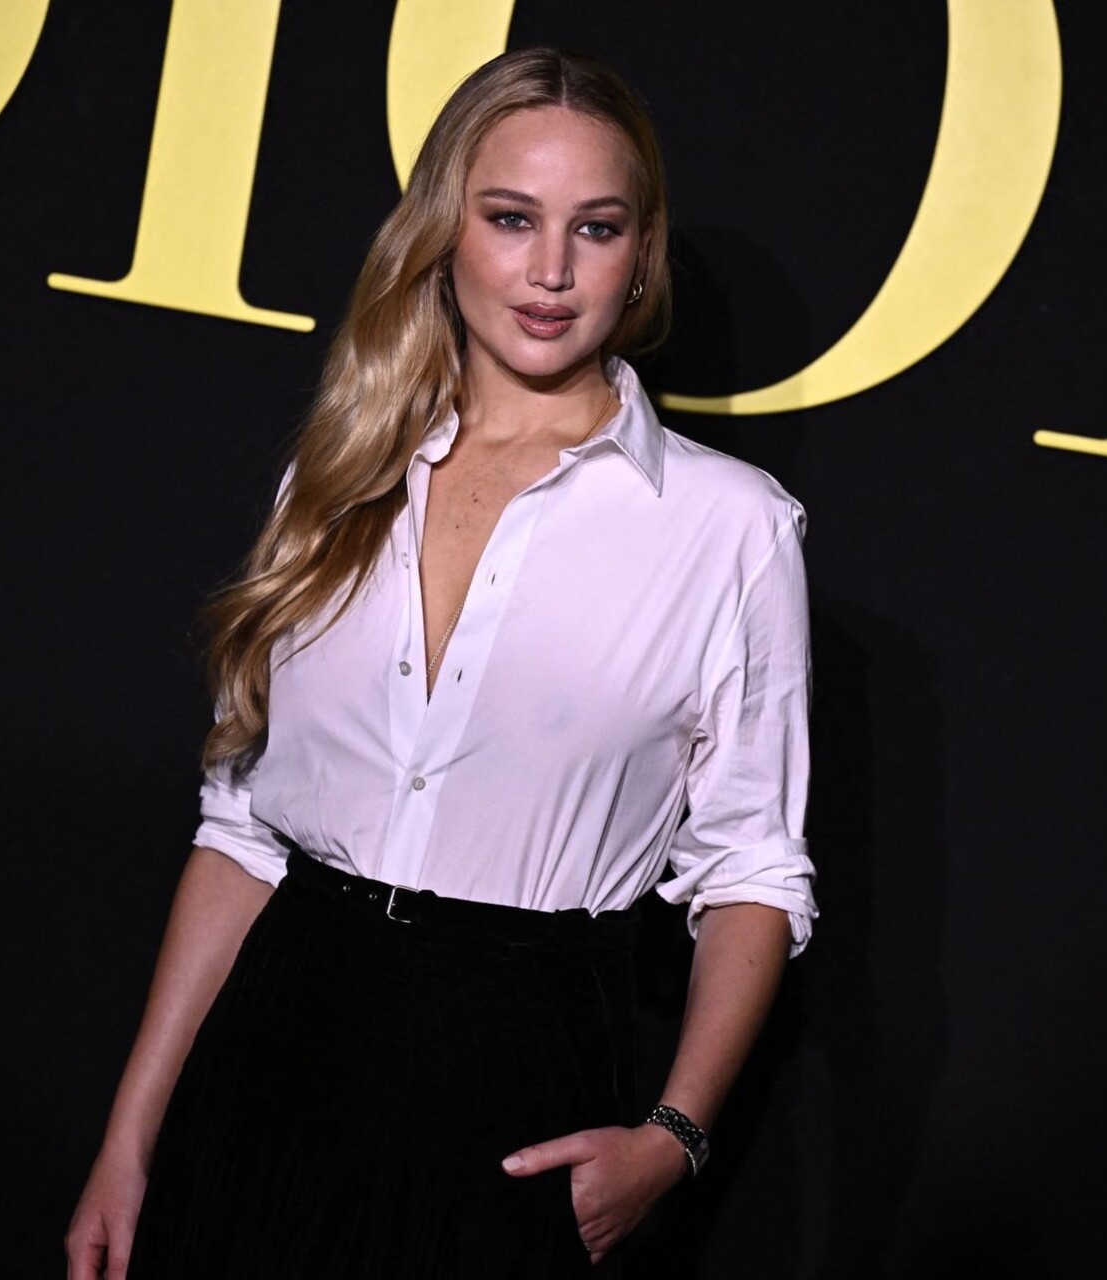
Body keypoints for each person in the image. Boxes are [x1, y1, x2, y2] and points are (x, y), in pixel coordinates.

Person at [64, 46, 816, 1278]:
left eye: (597, 228)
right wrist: (128, 1137)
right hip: (270, 1052)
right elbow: (244, 834)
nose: (552, 270)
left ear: (642, 256)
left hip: (515, 1088)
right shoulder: (339, 474)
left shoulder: (729, 528)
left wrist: (674, 1136)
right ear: (442, 232)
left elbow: (753, 868)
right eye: (511, 218)